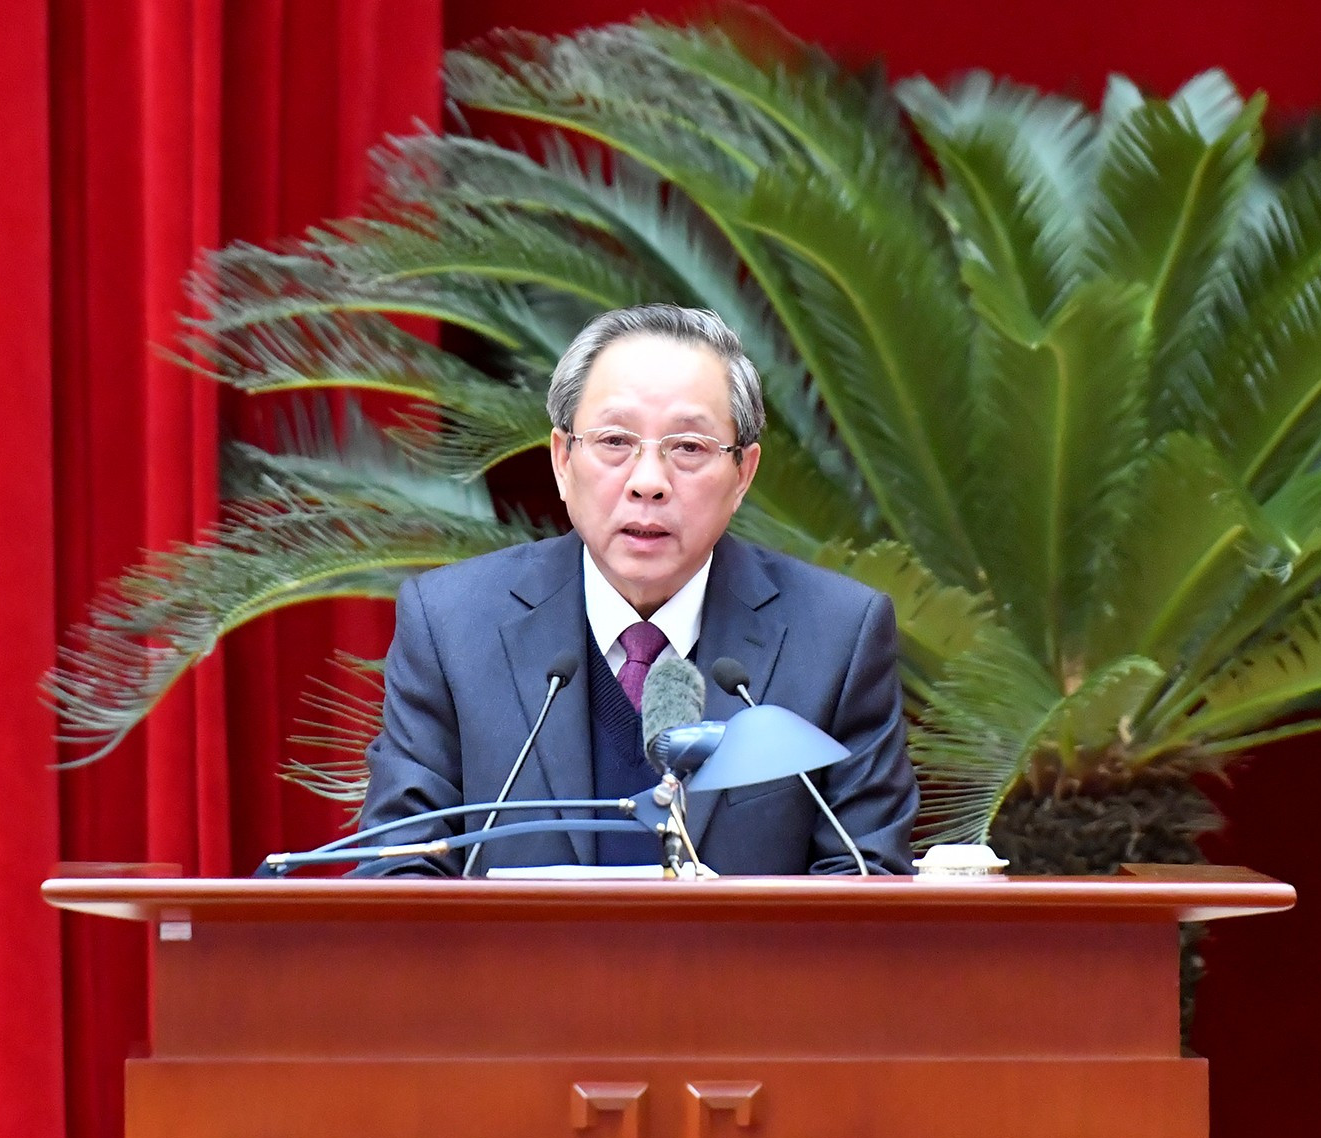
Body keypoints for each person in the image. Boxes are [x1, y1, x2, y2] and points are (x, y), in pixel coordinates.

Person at [351, 304, 918, 876]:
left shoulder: (837, 637)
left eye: (689, 448)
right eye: (615, 441)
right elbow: (397, 873)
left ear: (743, 474)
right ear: (562, 461)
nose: (649, 483)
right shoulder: (452, 627)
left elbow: (865, 889)